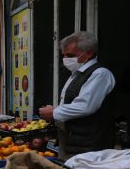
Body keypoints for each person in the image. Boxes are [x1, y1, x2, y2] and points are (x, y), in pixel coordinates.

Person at [38, 31, 116, 160]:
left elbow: (85, 106)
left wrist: (55, 112)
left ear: (89, 53)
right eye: (64, 55)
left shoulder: (100, 74)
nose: (66, 59)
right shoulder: (77, 74)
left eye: (70, 55)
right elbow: (71, 103)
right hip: (74, 141)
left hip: (90, 145)